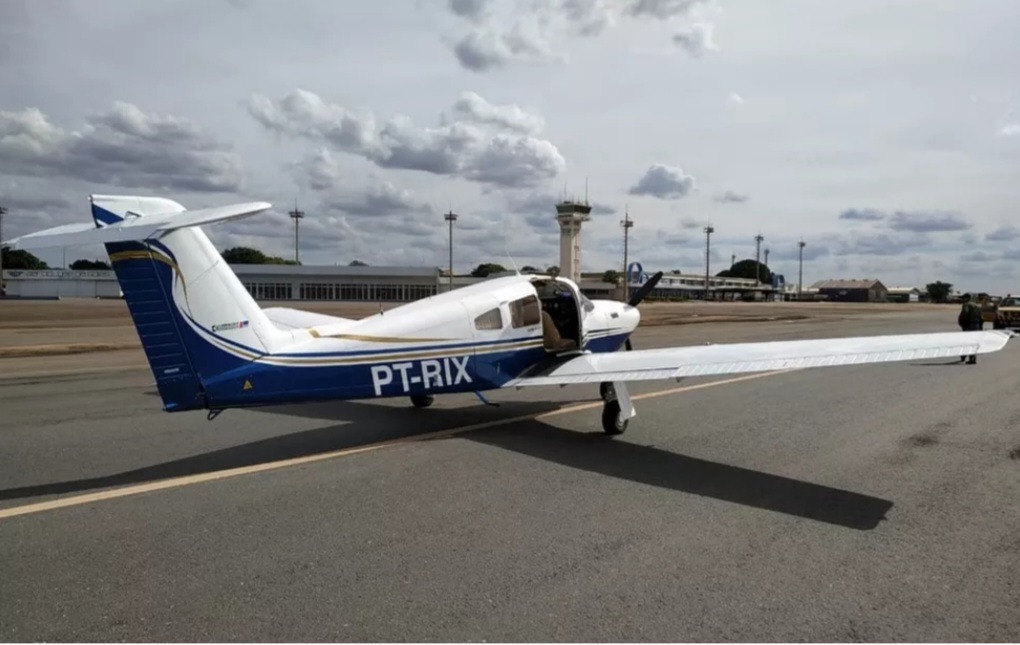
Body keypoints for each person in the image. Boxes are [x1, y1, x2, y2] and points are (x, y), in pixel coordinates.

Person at [957, 293, 984, 363]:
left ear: (967, 298)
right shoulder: (977, 305)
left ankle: (964, 356)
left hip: (969, 325)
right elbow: (981, 317)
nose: (963, 299)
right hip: (976, 325)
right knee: (973, 342)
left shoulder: (966, 304)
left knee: (966, 342)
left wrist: (962, 323)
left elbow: (965, 313)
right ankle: (972, 358)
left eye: (964, 298)